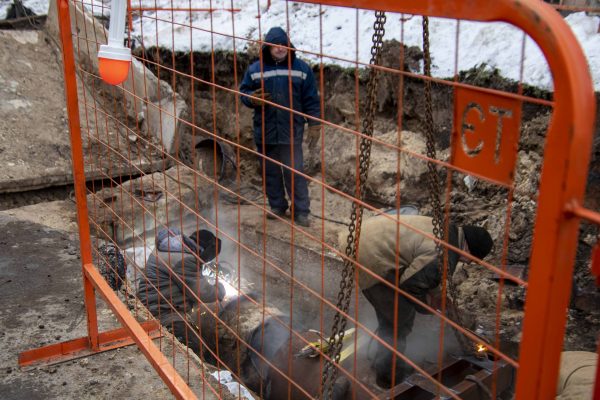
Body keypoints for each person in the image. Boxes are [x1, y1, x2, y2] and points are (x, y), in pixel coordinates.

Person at [343, 214, 494, 388]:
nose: (467, 264)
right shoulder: (446, 252)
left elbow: (425, 271)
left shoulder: (447, 232)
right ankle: (387, 378)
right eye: (471, 260)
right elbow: (410, 285)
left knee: (395, 314)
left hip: (364, 238)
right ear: (468, 249)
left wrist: (439, 296)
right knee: (398, 320)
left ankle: (385, 363)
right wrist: (428, 308)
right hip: (367, 252)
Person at [239, 27, 321, 227]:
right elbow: (244, 92)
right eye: (275, 45)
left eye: (283, 45)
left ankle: (301, 211)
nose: (280, 49)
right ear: (267, 48)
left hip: (291, 131)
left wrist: (314, 124)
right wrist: (251, 98)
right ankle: (277, 206)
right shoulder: (255, 70)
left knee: (295, 172)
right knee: (270, 172)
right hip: (265, 132)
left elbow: (311, 99)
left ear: (288, 46)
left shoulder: (302, 69)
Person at [138, 227, 225, 354]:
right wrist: (219, 289)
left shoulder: (173, 248)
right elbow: (202, 293)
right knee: (197, 349)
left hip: (151, 303)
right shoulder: (185, 260)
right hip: (161, 312)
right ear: (205, 252)